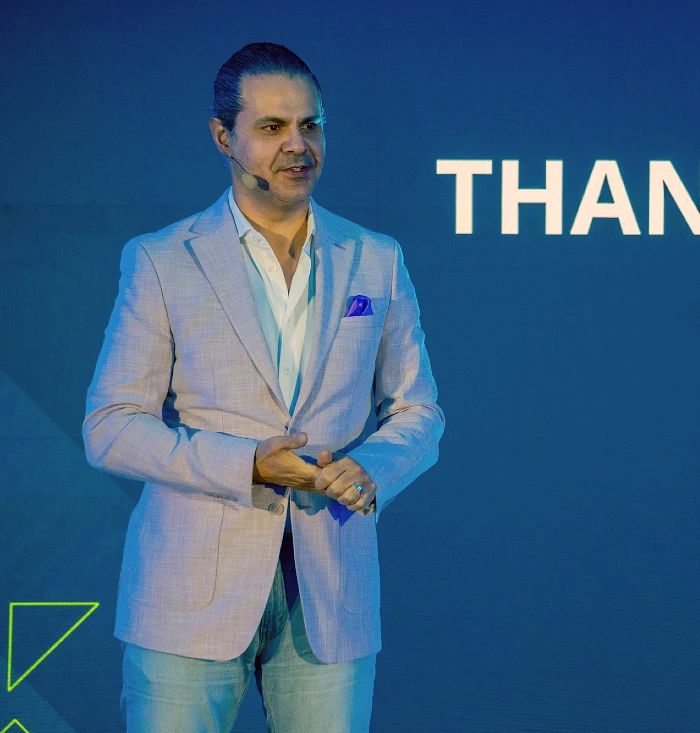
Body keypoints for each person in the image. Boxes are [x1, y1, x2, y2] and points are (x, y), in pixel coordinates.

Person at [83, 42, 444, 731]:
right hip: (187, 592)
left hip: (329, 595)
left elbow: (419, 409)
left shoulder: (376, 257)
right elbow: (112, 424)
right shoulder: (162, 259)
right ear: (224, 136)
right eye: (272, 128)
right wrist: (246, 463)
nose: (298, 145)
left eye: (311, 125)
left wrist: (369, 469)